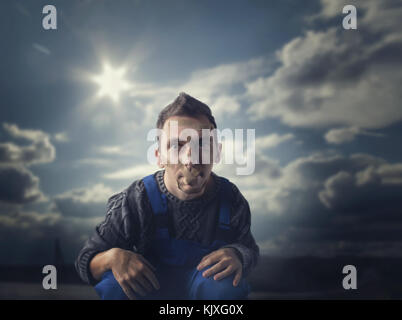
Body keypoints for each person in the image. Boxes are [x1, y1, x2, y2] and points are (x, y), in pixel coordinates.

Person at [75, 92, 259, 300]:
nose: (191, 159)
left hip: (207, 294)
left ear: (217, 152)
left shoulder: (231, 199)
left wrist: (238, 255)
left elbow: (249, 248)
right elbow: (85, 261)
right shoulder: (135, 200)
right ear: (159, 156)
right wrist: (112, 258)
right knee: (116, 285)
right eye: (176, 145)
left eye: (202, 144)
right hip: (148, 291)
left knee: (225, 286)